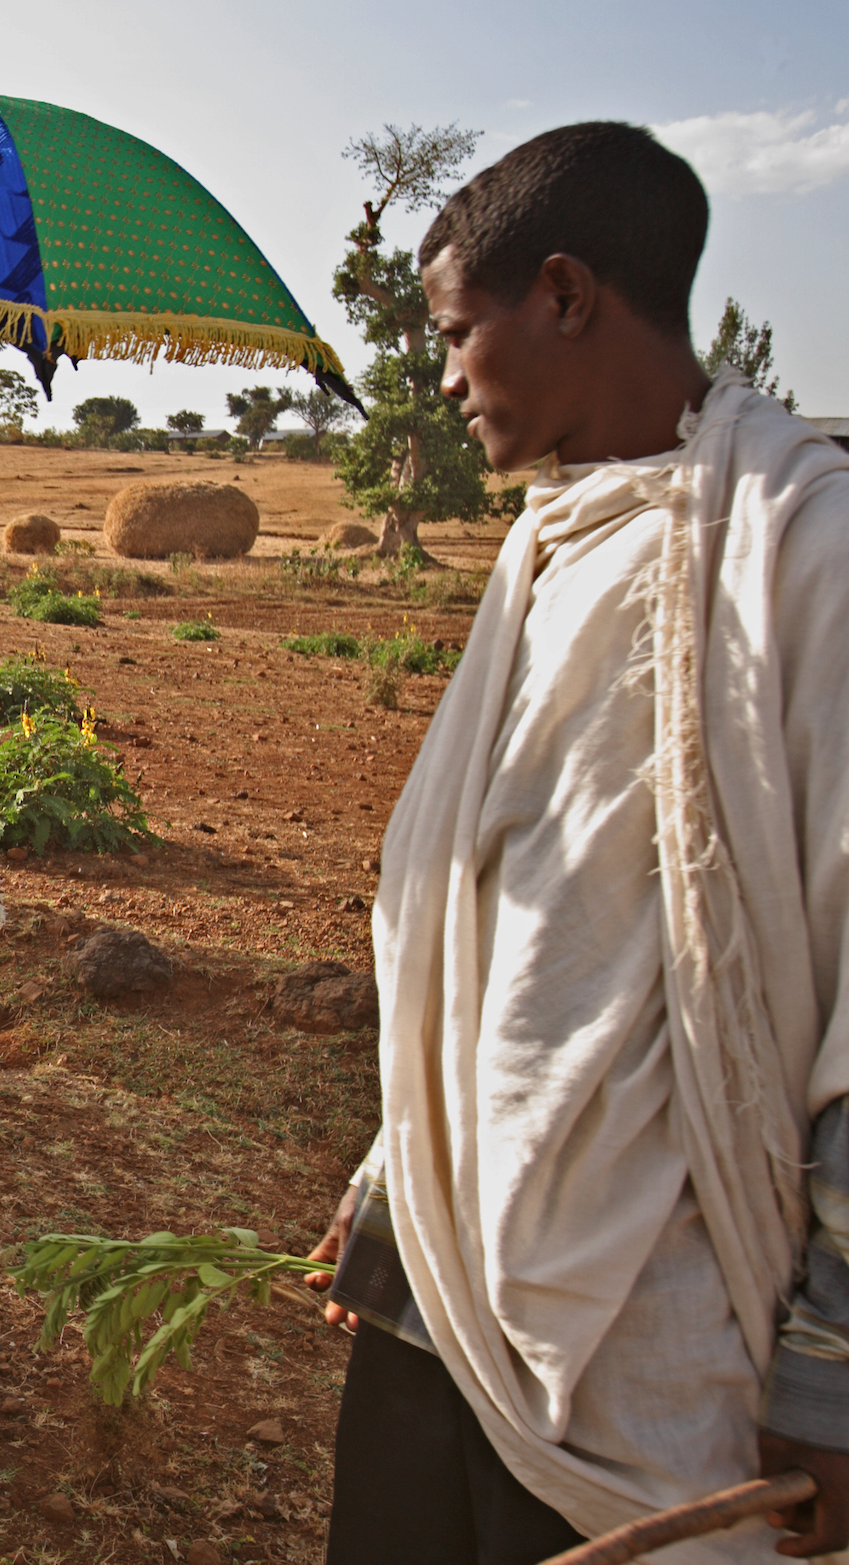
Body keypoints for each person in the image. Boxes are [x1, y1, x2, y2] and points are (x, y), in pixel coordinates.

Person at [304, 123, 849, 1564]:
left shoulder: (801, 550)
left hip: (662, 1336)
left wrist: (833, 1362)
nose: (441, 372)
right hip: (444, 1281)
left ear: (563, 293)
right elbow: (497, 919)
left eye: (454, 329)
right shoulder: (546, 547)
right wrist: (387, 1177)